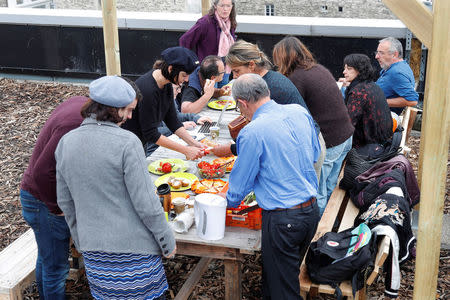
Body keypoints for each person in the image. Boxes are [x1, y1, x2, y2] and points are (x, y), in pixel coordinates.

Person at [55, 76, 175, 300]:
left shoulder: (66, 142)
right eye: (128, 111)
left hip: (94, 253)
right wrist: (167, 241)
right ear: (113, 109)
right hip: (135, 253)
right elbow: (147, 204)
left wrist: (81, 240)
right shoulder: (127, 142)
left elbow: (65, 201)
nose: (130, 117)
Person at [224, 74, 320, 299]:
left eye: (240, 108)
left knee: (284, 291)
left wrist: (220, 201)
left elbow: (239, 189)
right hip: (310, 211)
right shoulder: (299, 111)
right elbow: (314, 155)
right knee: (279, 278)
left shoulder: (252, 131)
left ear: (242, 103)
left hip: (282, 220)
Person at [212, 40, 325, 180]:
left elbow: (263, 137)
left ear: (252, 65)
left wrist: (232, 149)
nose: (234, 77)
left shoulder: (269, 89)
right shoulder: (267, 79)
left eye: (237, 71)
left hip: (306, 149)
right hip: (304, 143)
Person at [272, 36, 354, 215]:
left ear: (285, 57)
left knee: (318, 192)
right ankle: (325, 224)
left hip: (330, 141)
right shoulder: (318, 68)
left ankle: (315, 233)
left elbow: (291, 113)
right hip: (346, 135)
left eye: (277, 58)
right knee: (329, 186)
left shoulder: (296, 77)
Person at [19, 95, 88, 300]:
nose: (127, 117)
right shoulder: (76, 124)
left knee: (47, 258)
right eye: (127, 111)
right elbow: (42, 172)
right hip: (42, 202)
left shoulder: (80, 103)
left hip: (37, 196)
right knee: (56, 268)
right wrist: (56, 207)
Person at [121, 46, 206, 159]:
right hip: (128, 145)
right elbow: (151, 133)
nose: (186, 80)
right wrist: (185, 150)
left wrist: (194, 143)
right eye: (184, 75)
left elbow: (173, 121)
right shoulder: (148, 90)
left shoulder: (166, 85)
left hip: (140, 142)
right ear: (171, 69)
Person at [179, 0, 236, 86]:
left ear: (232, 7)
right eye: (222, 5)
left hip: (225, 68)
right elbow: (184, 40)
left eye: (228, 6)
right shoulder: (205, 22)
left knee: (223, 96)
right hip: (209, 71)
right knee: (211, 96)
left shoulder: (229, 22)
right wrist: (191, 63)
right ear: (215, 6)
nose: (225, 9)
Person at [343, 54, 393, 148]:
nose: (344, 72)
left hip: (366, 146)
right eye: (345, 68)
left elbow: (347, 125)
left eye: (349, 68)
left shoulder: (358, 92)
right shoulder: (372, 85)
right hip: (382, 142)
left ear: (360, 70)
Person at [375, 37, 418, 115]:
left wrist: (378, 101)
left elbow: (412, 100)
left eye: (381, 53)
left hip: (380, 119)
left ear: (394, 54)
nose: (376, 56)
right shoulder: (395, 67)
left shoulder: (396, 72)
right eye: (377, 52)